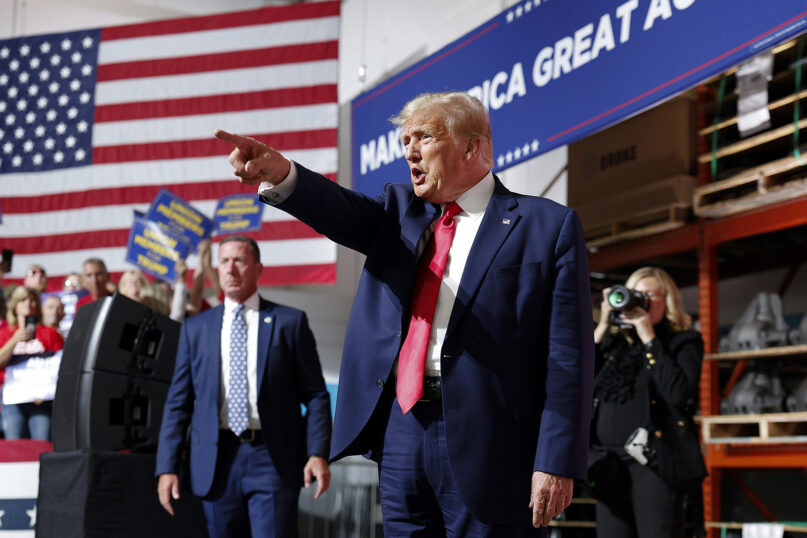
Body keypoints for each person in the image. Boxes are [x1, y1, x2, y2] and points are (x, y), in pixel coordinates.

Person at [216, 91, 595, 535]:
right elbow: (339, 210)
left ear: (472, 147)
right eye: (405, 141)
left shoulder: (546, 226)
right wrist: (281, 173)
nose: (410, 152)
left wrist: (556, 460)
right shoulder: (400, 212)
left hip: (492, 439)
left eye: (425, 137)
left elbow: (567, 359)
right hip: (402, 430)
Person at [155, 236, 332, 538]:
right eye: (224, 261)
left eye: (239, 260)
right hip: (215, 459)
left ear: (258, 268)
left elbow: (315, 395)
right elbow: (178, 403)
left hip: (272, 458)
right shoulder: (195, 328)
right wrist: (166, 466)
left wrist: (318, 453)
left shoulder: (289, 322)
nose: (230, 269)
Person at [591, 267, 706, 537]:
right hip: (609, 464)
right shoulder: (614, 345)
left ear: (667, 300)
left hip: (654, 462)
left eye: (649, 295)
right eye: (634, 294)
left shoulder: (683, 342)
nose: (640, 300)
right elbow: (577, 377)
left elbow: (679, 394)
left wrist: (648, 337)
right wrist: (604, 323)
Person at [0, 286, 64, 440]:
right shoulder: (5, 334)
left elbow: (61, 366)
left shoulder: (50, 333)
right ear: (15, 306)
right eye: (23, 300)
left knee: (41, 444)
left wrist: (46, 390)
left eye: (32, 300)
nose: (28, 304)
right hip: (13, 400)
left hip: (42, 401)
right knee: (15, 446)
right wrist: (15, 339)